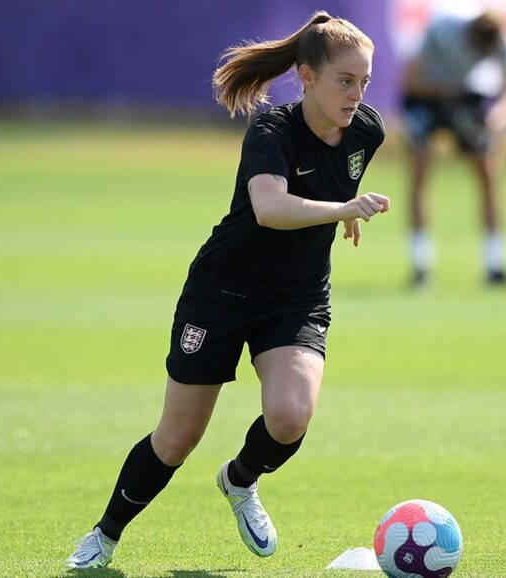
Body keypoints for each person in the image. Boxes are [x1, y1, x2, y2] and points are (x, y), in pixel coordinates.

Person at [65, 11, 387, 569]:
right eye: (344, 80)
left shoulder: (367, 130)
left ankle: (240, 481)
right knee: (177, 438)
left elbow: (336, 177)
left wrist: (344, 213)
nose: (356, 93)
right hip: (222, 292)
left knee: (290, 416)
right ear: (307, 76)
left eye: (363, 81)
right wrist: (341, 208)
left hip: (297, 298)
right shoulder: (271, 131)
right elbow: (268, 208)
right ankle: (105, 535)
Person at [401, 10, 506, 287]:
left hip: (465, 100)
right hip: (427, 97)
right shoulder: (443, 30)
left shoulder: (501, 42)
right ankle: (421, 266)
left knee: (490, 174)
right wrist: (447, 93)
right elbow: (410, 79)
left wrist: (498, 119)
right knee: (420, 173)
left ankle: (496, 265)